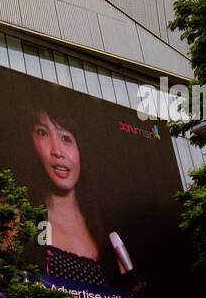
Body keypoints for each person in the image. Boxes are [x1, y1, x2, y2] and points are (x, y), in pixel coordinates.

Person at [31, 110, 133, 285]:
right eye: (43, 133)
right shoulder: (23, 218)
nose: (57, 151)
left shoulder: (108, 233)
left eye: (66, 138)